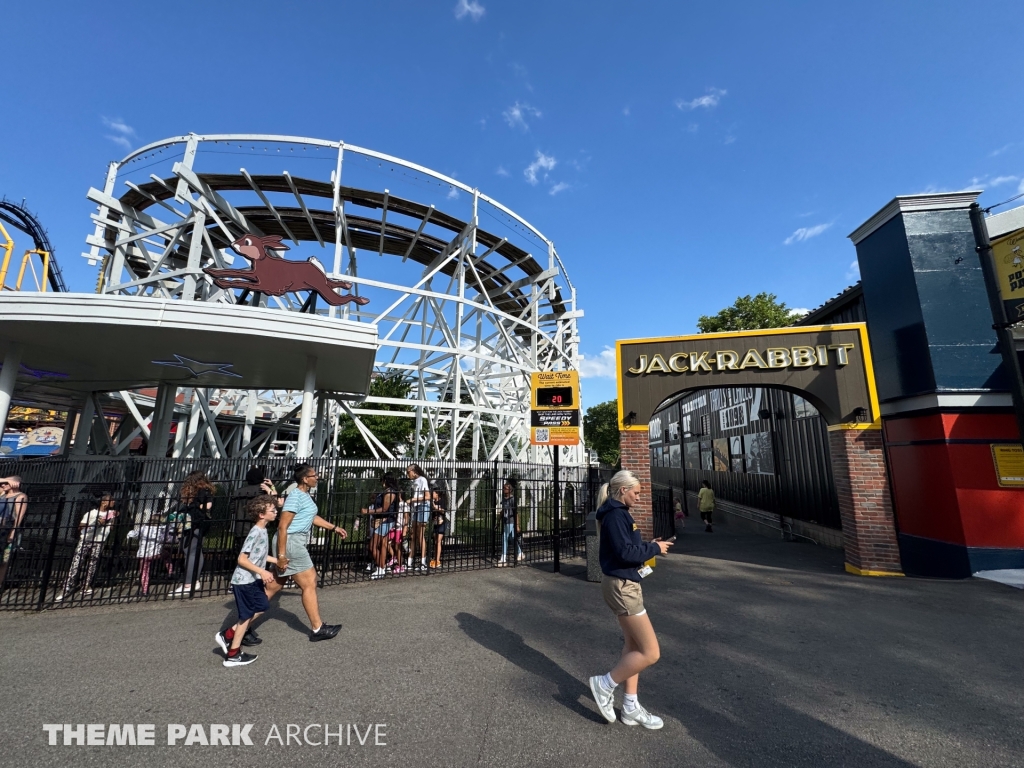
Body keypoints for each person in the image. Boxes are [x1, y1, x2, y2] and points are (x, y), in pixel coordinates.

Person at [588, 470, 673, 730]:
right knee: (650, 652)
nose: (638, 496)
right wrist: (654, 549)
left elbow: (626, 549)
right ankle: (604, 684)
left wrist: (649, 545)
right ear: (622, 490)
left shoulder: (618, 513)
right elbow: (625, 553)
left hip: (626, 584)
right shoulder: (615, 514)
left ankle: (630, 707)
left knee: (633, 647)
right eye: (636, 492)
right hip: (623, 587)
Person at [273, 464, 347, 641]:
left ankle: (239, 628)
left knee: (272, 587)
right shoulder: (295, 496)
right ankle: (317, 628)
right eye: (315, 475)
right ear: (305, 479)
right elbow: (283, 526)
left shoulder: (304, 496)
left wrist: (333, 527)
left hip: (293, 540)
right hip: (291, 541)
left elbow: (310, 517)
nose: (318, 478)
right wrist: (282, 556)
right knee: (309, 583)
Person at [215, 496, 279, 667]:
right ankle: (233, 655)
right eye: (272, 510)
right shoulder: (255, 532)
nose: (275, 512)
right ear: (261, 514)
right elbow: (242, 559)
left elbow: (259, 555)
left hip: (253, 579)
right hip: (244, 581)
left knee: (263, 606)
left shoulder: (263, 530)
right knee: (246, 615)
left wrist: (276, 561)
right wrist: (263, 571)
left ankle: (228, 634)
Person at [56, 493, 118, 601]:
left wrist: (112, 518)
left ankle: (86, 585)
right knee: (77, 562)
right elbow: (81, 526)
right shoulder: (92, 513)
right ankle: (66, 587)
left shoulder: (111, 513)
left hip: (99, 540)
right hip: (86, 539)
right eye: (111, 500)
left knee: (93, 564)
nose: (113, 502)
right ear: (103, 502)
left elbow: (111, 528)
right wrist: (96, 522)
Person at [173, 470, 216, 594]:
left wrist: (194, 503)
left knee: (191, 551)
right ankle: (193, 580)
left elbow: (207, 506)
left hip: (195, 522)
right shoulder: (205, 490)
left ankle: (189, 583)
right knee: (194, 551)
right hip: (195, 522)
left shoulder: (201, 492)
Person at [362, 474, 399, 580]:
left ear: (385, 481)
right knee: (381, 546)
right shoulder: (387, 491)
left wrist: (367, 511)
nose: (381, 482)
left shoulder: (389, 492)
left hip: (385, 521)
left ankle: (381, 567)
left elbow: (384, 509)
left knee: (372, 546)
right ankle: (380, 568)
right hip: (383, 520)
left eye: (382, 480)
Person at [230, 466, 279, 544]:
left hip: (240, 528)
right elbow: (276, 502)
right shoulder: (263, 492)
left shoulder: (237, 492)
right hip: (258, 527)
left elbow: (232, 509)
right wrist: (272, 486)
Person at [126, 512, 171, 596]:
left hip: (144, 554)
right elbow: (167, 539)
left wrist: (130, 533)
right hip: (156, 553)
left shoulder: (143, 528)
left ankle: (145, 590)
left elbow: (135, 534)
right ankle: (170, 571)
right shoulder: (162, 529)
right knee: (167, 555)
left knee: (144, 572)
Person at [0, 476, 28, 590]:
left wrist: (13, 533)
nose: (3, 485)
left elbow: (19, 517)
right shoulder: (2, 493)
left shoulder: (20, 496)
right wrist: (6, 480)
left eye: (6, 483)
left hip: (9, 529)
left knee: (4, 559)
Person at [406, 464, 430, 572]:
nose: (407, 474)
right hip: (416, 507)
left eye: (408, 472)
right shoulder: (414, 482)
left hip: (422, 506)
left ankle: (423, 561)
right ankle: (410, 560)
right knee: (413, 534)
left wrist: (412, 500)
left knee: (420, 535)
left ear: (413, 471)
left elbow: (427, 496)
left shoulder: (422, 480)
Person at [497, 478, 522, 566]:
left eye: (506, 488)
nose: (504, 490)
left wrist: (517, 525)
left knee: (504, 537)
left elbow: (516, 513)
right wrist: (498, 521)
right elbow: (503, 511)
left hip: (511, 521)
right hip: (505, 520)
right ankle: (520, 552)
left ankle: (503, 558)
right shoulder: (504, 499)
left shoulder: (512, 499)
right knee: (511, 538)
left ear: (510, 489)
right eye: (503, 488)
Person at [429, 485, 448, 569]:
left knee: (438, 541)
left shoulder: (442, 501)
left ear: (437, 494)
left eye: (433, 493)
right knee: (435, 541)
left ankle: (438, 560)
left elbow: (443, 510)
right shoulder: (433, 502)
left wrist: (435, 506)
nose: (432, 494)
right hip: (435, 523)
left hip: (442, 522)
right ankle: (434, 558)